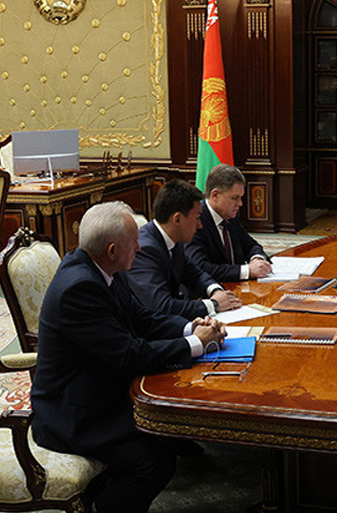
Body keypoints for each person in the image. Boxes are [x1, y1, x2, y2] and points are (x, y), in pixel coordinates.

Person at [31, 201, 226, 513]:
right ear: (112, 250)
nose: (139, 246)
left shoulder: (105, 268)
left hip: (100, 389)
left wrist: (191, 327)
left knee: (166, 435)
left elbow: (143, 319)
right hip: (73, 414)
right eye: (134, 241)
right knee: (153, 461)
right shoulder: (79, 288)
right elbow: (129, 355)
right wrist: (194, 344)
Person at [128, 179, 242, 319]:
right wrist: (213, 304)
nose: (200, 225)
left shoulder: (174, 239)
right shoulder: (145, 250)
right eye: (197, 218)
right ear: (177, 219)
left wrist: (215, 290)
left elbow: (195, 273)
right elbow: (162, 307)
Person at [187, 164, 272, 282]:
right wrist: (247, 271)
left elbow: (250, 245)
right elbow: (201, 267)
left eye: (241, 197)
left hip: (237, 287)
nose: (240, 204)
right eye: (235, 198)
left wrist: (257, 259)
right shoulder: (195, 221)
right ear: (215, 195)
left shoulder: (230, 216)